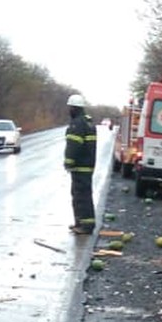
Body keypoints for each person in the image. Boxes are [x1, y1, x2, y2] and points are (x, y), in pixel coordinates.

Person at [64, 93, 97, 234]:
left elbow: (73, 145)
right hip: (87, 165)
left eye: (70, 108)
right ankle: (81, 222)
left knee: (80, 196)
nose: (69, 110)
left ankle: (86, 226)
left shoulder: (77, 124)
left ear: (74, 108)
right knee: (83, 195)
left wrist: (68, 162)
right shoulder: (88, 122)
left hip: (80, 166)